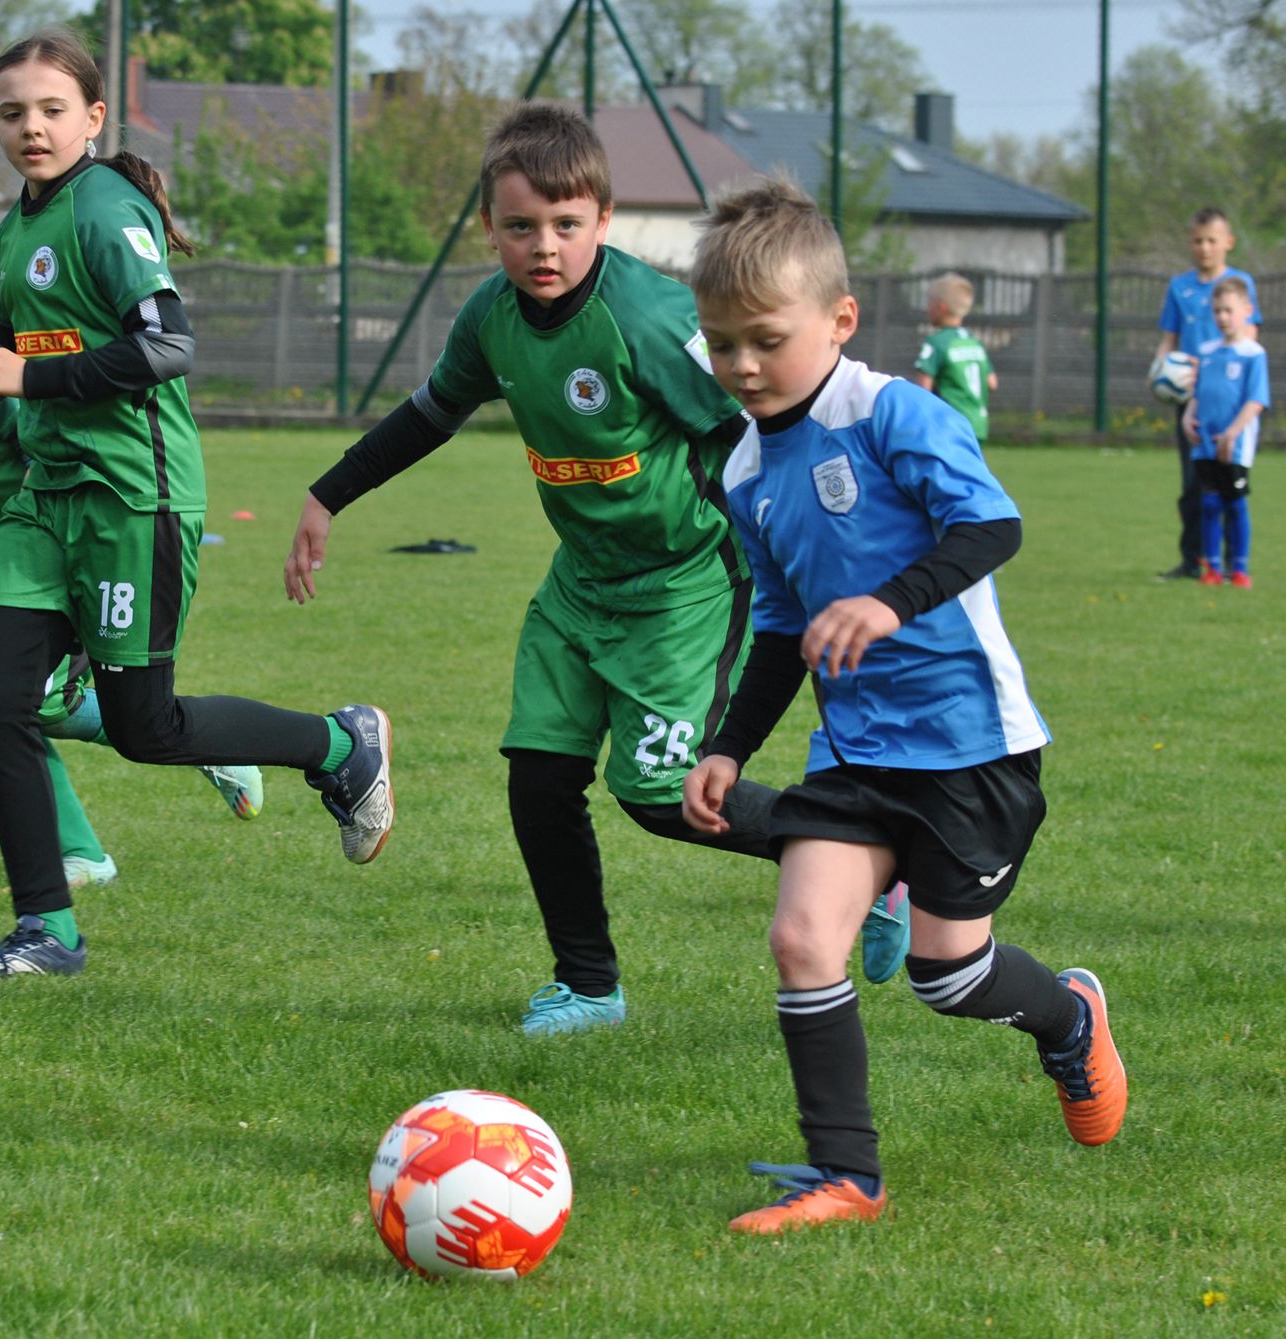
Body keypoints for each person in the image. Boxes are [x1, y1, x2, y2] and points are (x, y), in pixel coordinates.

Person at [285, 105, 908, 1036]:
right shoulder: (491, 318)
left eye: (567, 225)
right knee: (538, 777)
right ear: (489, 229)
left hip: (685, 582)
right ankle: (587, 983)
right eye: (521, 226)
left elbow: (757, 417)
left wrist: (817, 536)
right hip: (581, 583)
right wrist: (327, 494)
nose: (545, 247)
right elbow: (429, 414)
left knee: (661, 796)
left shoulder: (649, 317)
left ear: (604, 221)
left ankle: (873, 852)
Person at [0, 28, 392, 983]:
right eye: (10, 112)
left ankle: (339, 741)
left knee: (143, 726)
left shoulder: (106, 209)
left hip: (136, 498)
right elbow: (1, 361)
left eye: (49, 110)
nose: (30, 128)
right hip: (49, 499)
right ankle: (48, 928)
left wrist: (33, 386)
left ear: (91, 118)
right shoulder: (16, 228)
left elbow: (166, 347)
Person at [682, 178, 1125, 1235]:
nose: (741, 365)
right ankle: (844, 1174)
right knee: (800, 937)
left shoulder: (889, 413)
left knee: (945, 973)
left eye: (764, 340)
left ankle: (1067, 1016)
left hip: (969, 749)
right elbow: (783, 628)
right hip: (853, 755)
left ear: (837, 322)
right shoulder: (744, 470)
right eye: (719, 344)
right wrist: (728, 747)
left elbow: (988, 528)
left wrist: (885, 605)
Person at [0, 183, 264, 900]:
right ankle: (98, 835)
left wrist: (6, 555)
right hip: (17, 553)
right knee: (17, 702)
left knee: (25, 701)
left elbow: (43, 454)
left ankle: (203, 760)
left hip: (57, 539)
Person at [1153, 208, 1263, 580]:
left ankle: (1235, 564)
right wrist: (1160, 374)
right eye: (1197, 240)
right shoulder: (1179, 287)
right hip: (1192, 401)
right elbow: (1169, 340)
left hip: (1230, 402)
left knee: (1230, 488)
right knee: (1192, 484)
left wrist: (1223, 366)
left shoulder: (1240, 283)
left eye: (1211, 240)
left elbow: (1250, 337)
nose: (1204, 247)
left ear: (1227, 243)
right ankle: (1194, 560)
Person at [1181, 276, 1268, 588]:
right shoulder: (1207, 351)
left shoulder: (1253, 354)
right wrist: (1189, 416)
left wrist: (1232, 434)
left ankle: (1239, 569)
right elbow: (1199, 392)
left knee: (1235, 504)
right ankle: (1213, 568)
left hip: (1235, 444)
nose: (1222, 317)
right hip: (1204, 442)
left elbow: (1256, 400)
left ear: (1247, 310)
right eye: (1217, 311)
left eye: (1228, 310)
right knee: (1210, 504)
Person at [911, 272, 996, 443]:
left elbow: (923, 390)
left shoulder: (936, 343)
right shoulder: (974, 343)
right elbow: (992, 383)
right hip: (977, 424)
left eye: (929, 303)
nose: (927, 309)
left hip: (949, 424)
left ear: (940, 308)